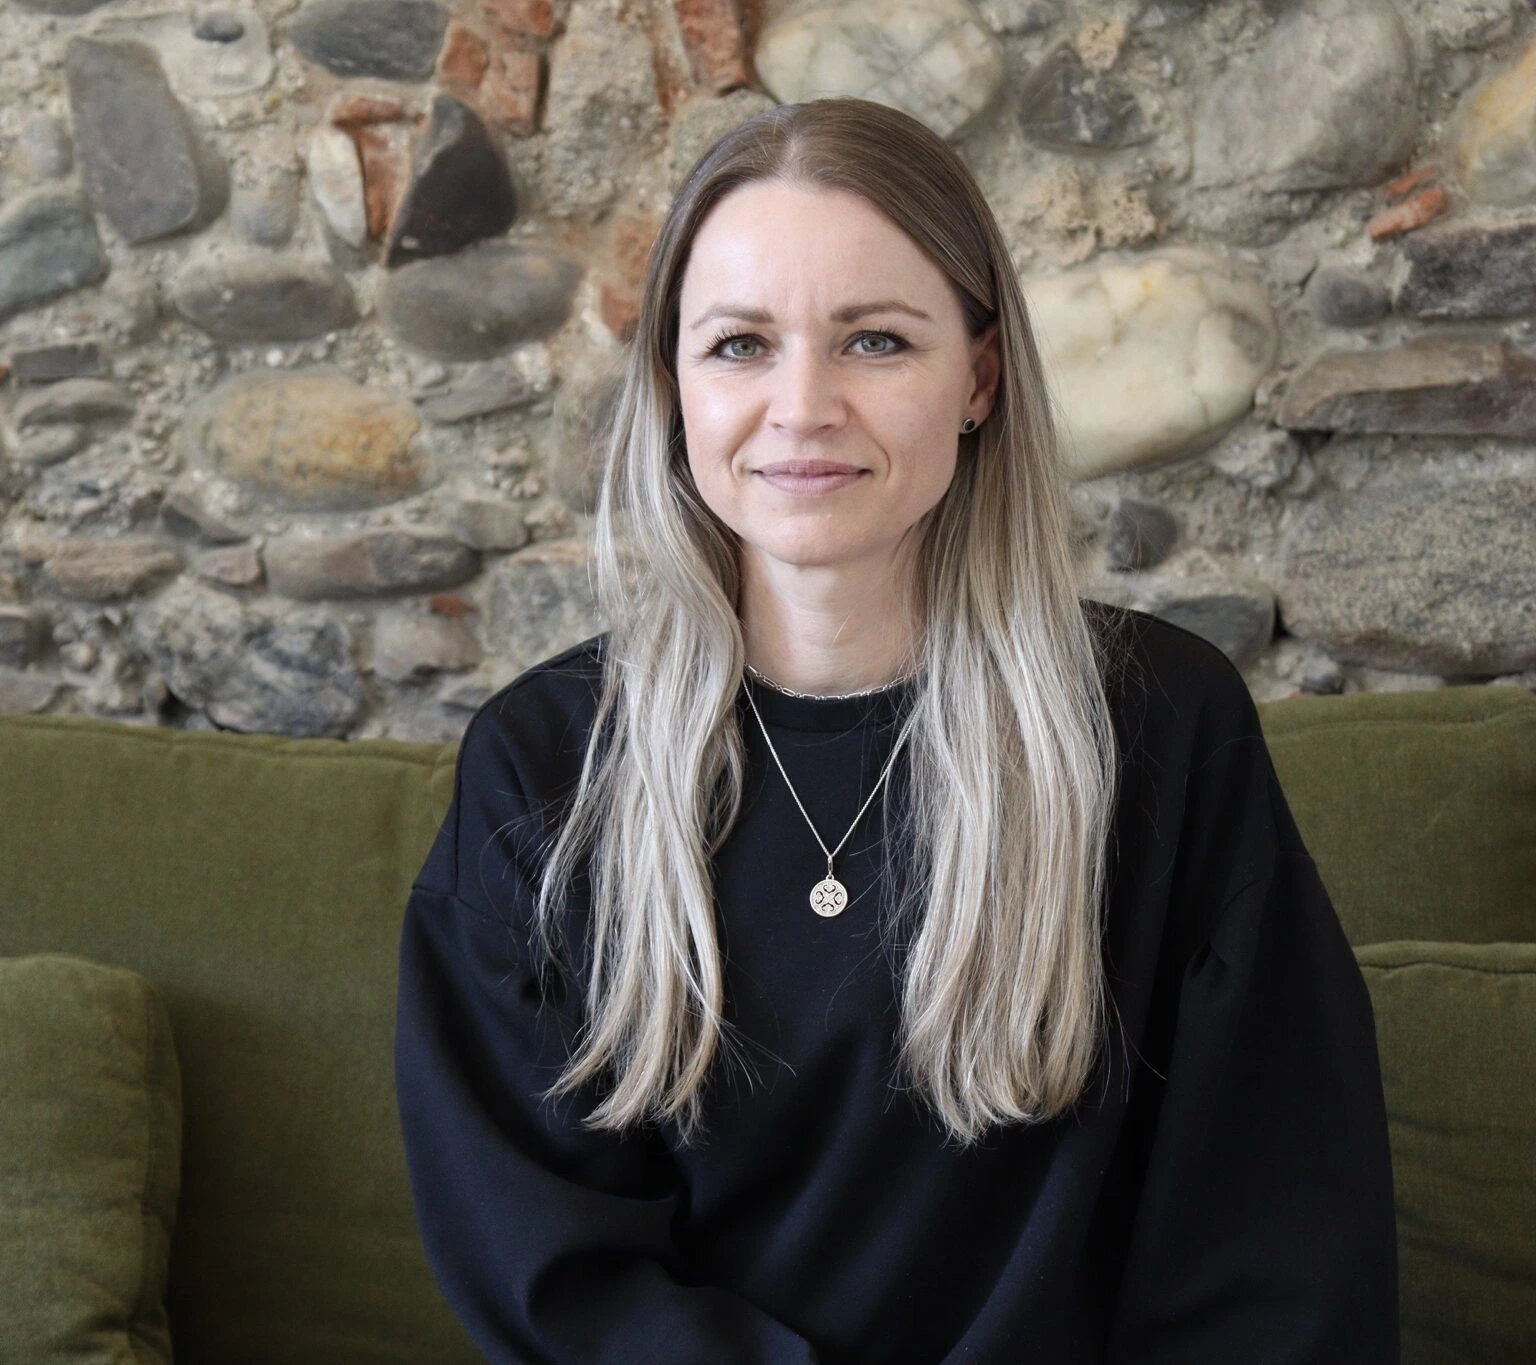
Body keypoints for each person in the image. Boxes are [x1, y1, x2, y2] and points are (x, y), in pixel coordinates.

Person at [393, 97, 1398, 1363]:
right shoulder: (545, 766)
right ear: (673, 389)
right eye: (740, 345)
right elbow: (554, 1277)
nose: (801, 406)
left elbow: (1276, 1244)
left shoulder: (1162, 727)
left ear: (977, 379)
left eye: (873, 340)